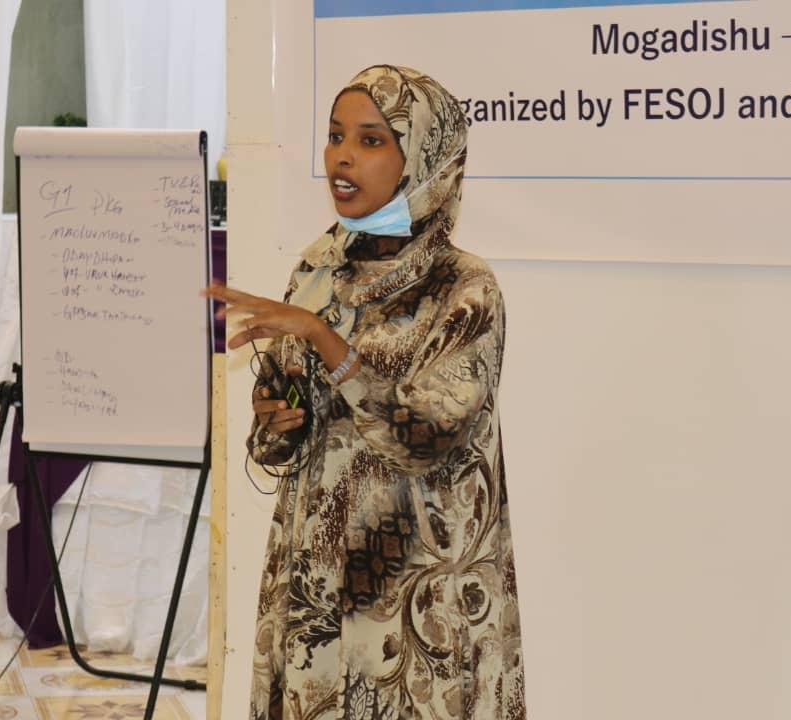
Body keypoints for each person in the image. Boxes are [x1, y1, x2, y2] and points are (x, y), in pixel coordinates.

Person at [205, 65, 525, 720]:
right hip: (316, 599)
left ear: (425, 158)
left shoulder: (464, 289)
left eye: (372, 140)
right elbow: (280, 441)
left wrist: (324, 340)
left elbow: (422, 439)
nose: (342, 156)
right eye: (335, 136)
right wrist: (277, 420)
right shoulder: (319, 268)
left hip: (416, 611)